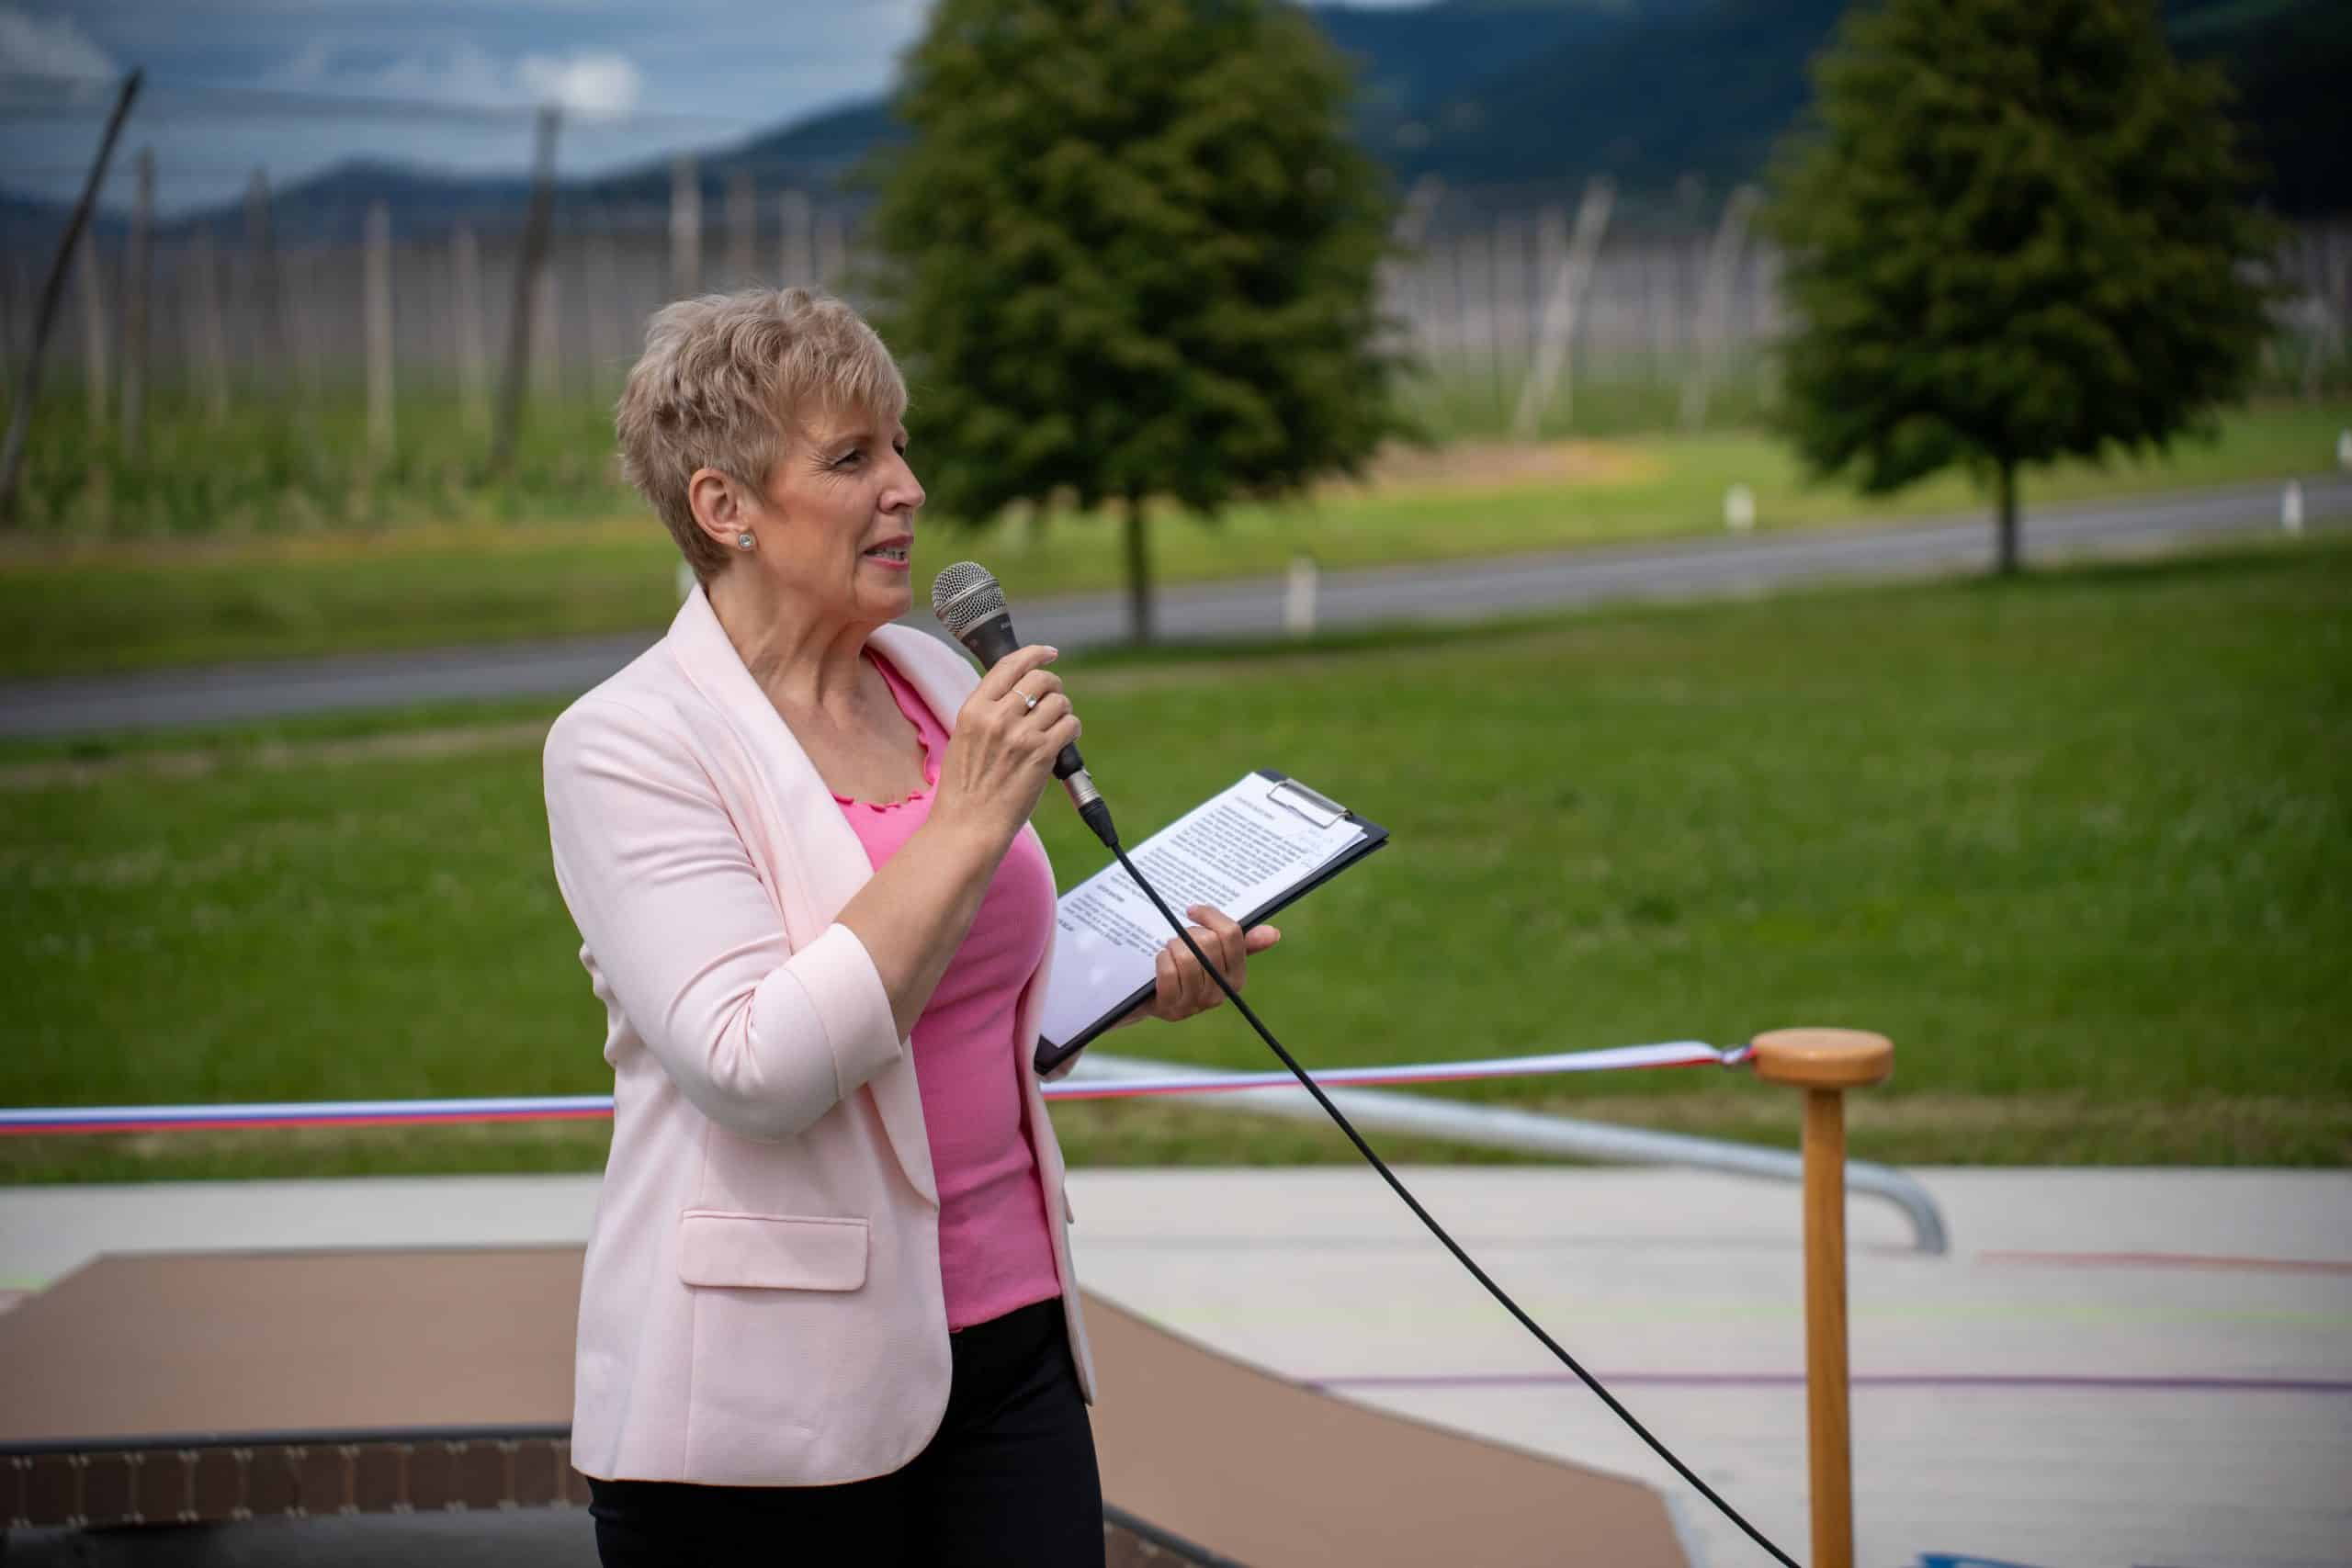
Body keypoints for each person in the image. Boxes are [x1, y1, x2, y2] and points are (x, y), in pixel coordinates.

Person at [541, 287, 1281, 1567]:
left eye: (900, 445)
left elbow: (966, 993)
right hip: (770, 1404)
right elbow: (757, 1067)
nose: (909, 488)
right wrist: (968, 821)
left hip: (1012, 1341)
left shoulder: (935, 679)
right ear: (724, 507)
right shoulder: (627, 745)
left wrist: (1133, 977)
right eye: (852, 459)